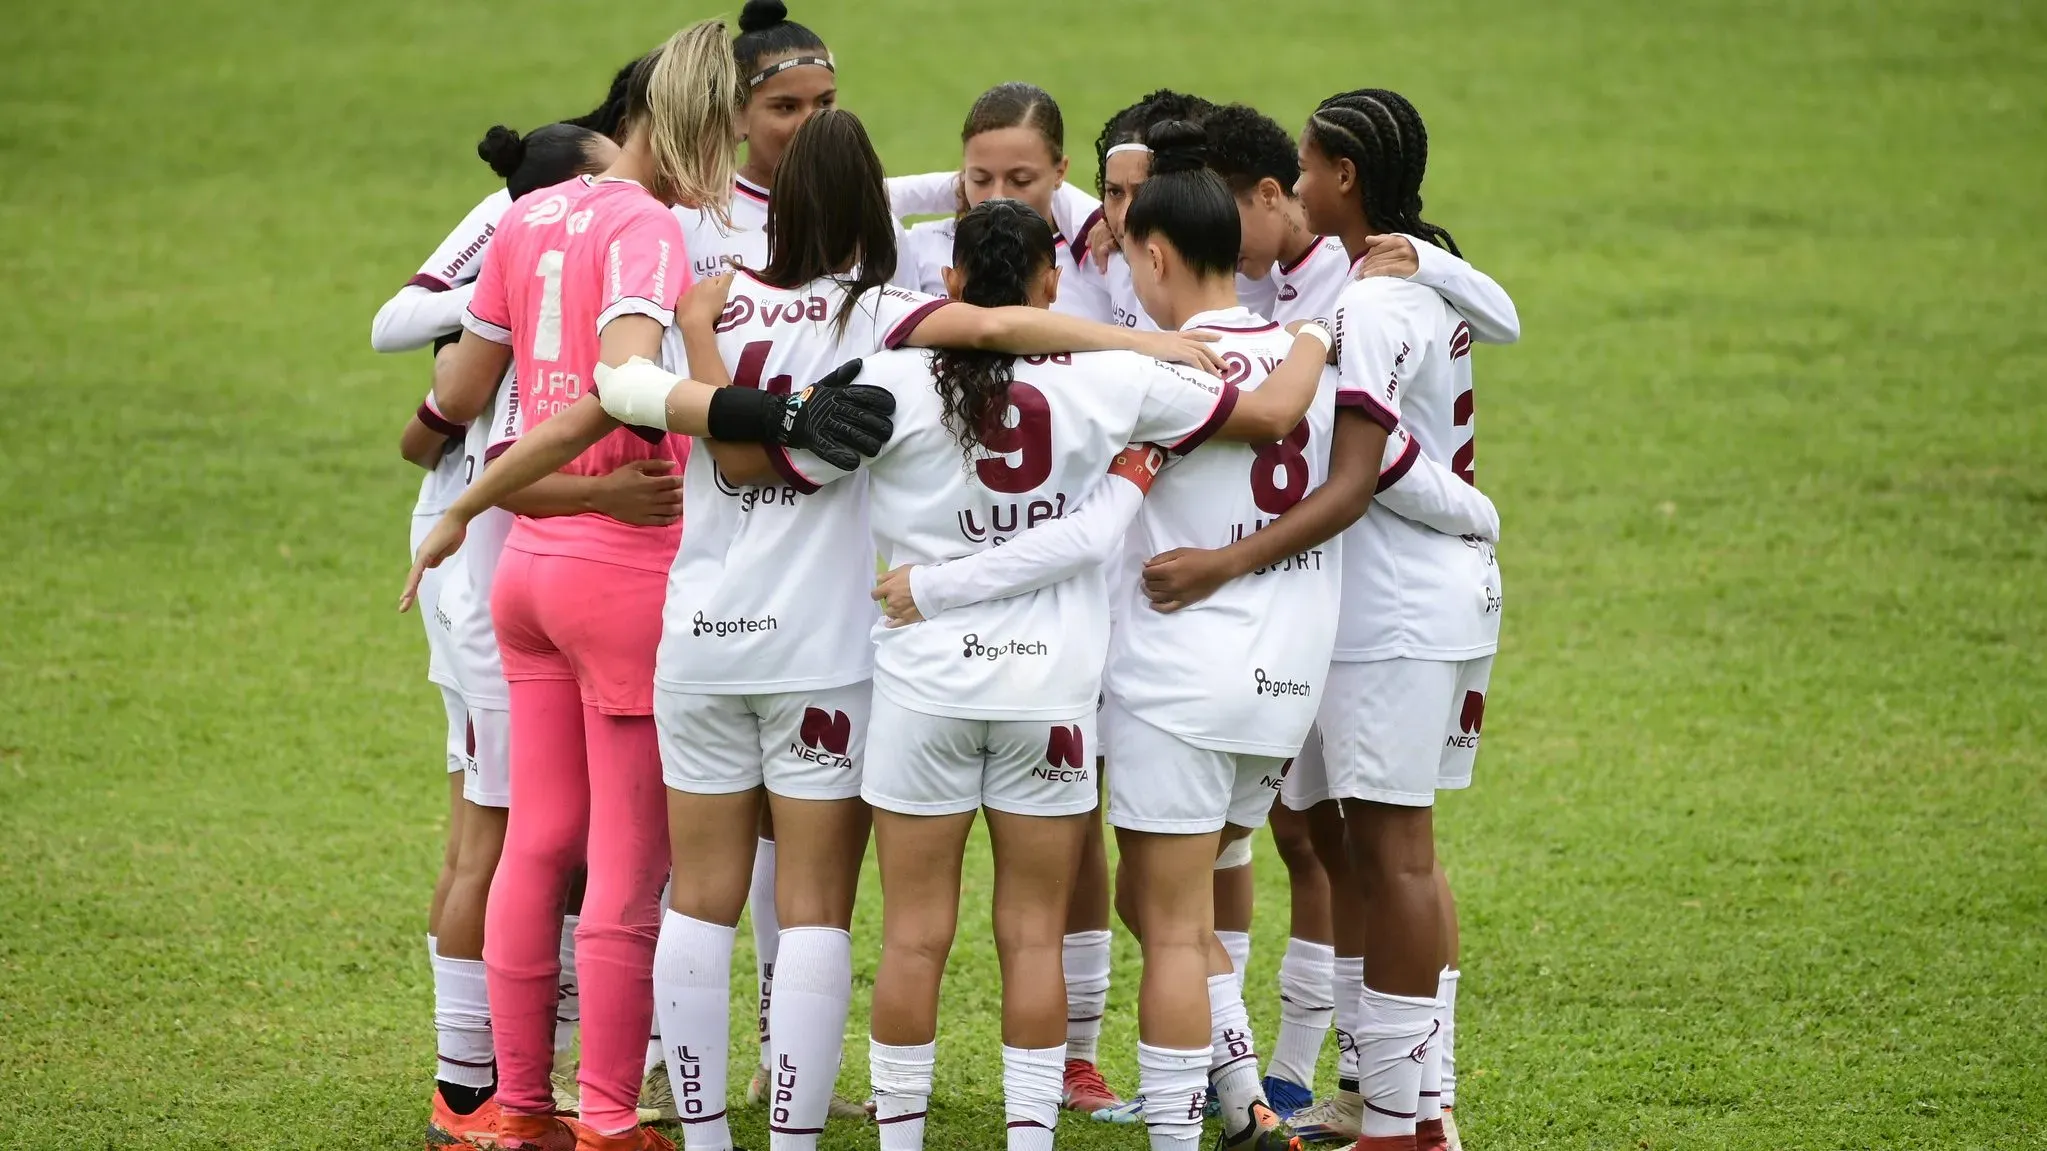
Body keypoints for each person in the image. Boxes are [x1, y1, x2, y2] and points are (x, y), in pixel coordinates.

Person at [601, 196, 1329, 1151]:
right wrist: (1306, 333)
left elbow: (768, 471)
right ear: (1048, 287)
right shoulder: (1108, 376)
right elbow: (1267, 416)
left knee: (913, 933)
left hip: (921, 694)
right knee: (1031, 931)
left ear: (945, 288)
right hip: (1051, 698)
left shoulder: (889, 378)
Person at [397, 24, 882, 1151]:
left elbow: (467, 387)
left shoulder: (532, 211)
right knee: (626, 866)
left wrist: (476, 503)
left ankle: (516, 1108)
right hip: (627, 568)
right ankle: (611, 1115)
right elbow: (621, 379)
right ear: (703, 126)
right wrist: (763, 416)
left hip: (528, 571)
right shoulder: (650, 227)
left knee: (536, 839)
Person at [1150, 88, 1502, 1151]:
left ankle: (1401, 1124)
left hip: (1396, 607)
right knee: (1402, 852)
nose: (1296, 187)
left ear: (1342, 176)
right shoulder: (1413, 280)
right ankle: (1416, 1101)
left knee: (1390, 855)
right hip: (1435, 601)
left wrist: (1221, 562)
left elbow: (1355, 478)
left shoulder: (1367, 306)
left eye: (1305, 167)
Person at [378, 115, 666, 1148]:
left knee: (526, 833)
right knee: (523, 837)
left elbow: (432, 420)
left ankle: (524, 1090)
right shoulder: (604, 242)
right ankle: (488, 1093)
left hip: (503, 574)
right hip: (529, 565)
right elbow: (435, 381)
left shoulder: (533, 236)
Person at [895, 83, 1113, 322]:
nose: (998, 198)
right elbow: (863, 203)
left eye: (1020, 180)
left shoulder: (1102, 257)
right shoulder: (922, 246)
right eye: (981, 178)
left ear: (1060, 172)